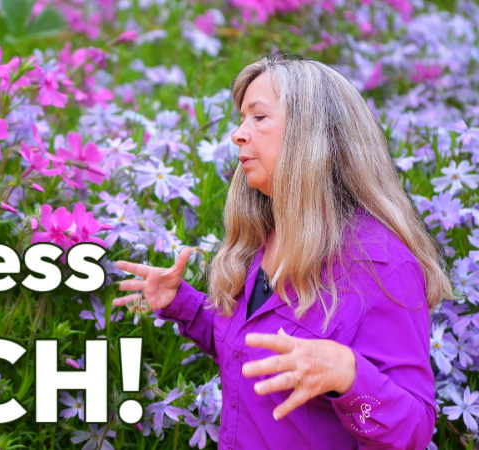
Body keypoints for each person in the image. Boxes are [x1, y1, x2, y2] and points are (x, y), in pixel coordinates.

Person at [112, 52, 454, 449]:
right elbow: (250, 352)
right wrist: (182, 304)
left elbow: (414, 431)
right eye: (242, 119)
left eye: (258, 117)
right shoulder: (262, 237)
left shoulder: (382, 265)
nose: (238, 134)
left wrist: (348, 375)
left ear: (311, 134)